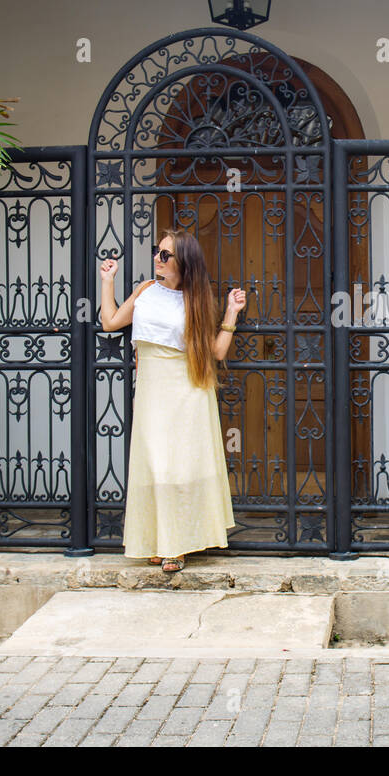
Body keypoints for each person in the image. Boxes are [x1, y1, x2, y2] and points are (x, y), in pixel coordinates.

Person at [98, 229, 246, 572]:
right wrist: (108, 281)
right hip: (151, 389)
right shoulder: (145, 291)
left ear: (183, 263)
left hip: (187, 391)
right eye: (157, 252)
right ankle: (159, 539)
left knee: (180, 468)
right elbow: (110, 322)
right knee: (154, 466)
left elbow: (215, 351)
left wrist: (231, 313)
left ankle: (175, 547)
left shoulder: (195, 299)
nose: (157, 259)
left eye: (165, 255)